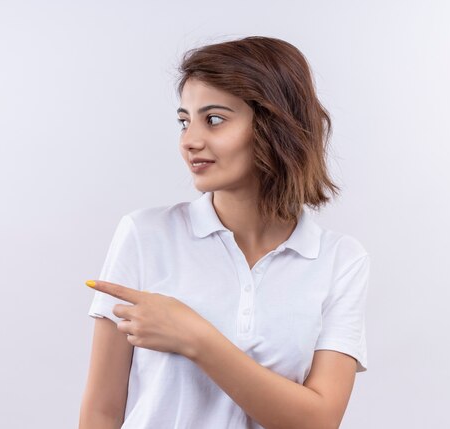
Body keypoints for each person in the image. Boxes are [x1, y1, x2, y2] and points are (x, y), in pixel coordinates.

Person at [79, 35, 370, 429]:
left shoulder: (339, 259)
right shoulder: (144, 235)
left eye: (213, 119)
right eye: (185, 121)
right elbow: (101, 411)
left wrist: (196, 337)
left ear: (276, 125)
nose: (190, 141)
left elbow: (318, 421)